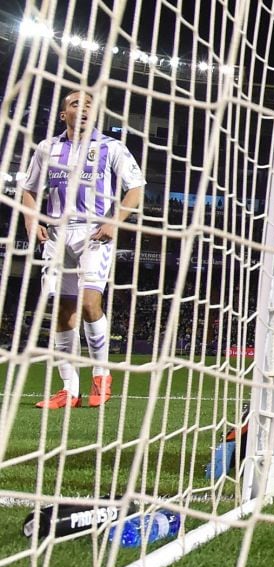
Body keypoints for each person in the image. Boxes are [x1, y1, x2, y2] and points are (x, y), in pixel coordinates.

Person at [21, 90, 146, 409]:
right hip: (58, 235)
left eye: (90, 104)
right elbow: (29, 190)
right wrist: (32, 222)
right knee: (63, 311)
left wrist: (116, 221)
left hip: (94, 234)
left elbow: (135, 188)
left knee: (90, 304)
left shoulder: (111, 147)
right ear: (64, 114)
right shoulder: (47, 148)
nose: (84, 108)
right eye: (76, 104)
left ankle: (101, 376)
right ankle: (69, 390)